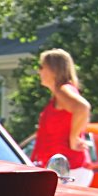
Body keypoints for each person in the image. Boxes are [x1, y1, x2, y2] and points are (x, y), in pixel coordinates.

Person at [29, 48, 92, 186]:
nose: (39, 71)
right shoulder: (59, 94)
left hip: (69, 169)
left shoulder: (63, 90)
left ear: (54, 69)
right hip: (63, 169)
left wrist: (74, 138)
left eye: (42, 67)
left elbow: (82, 108)